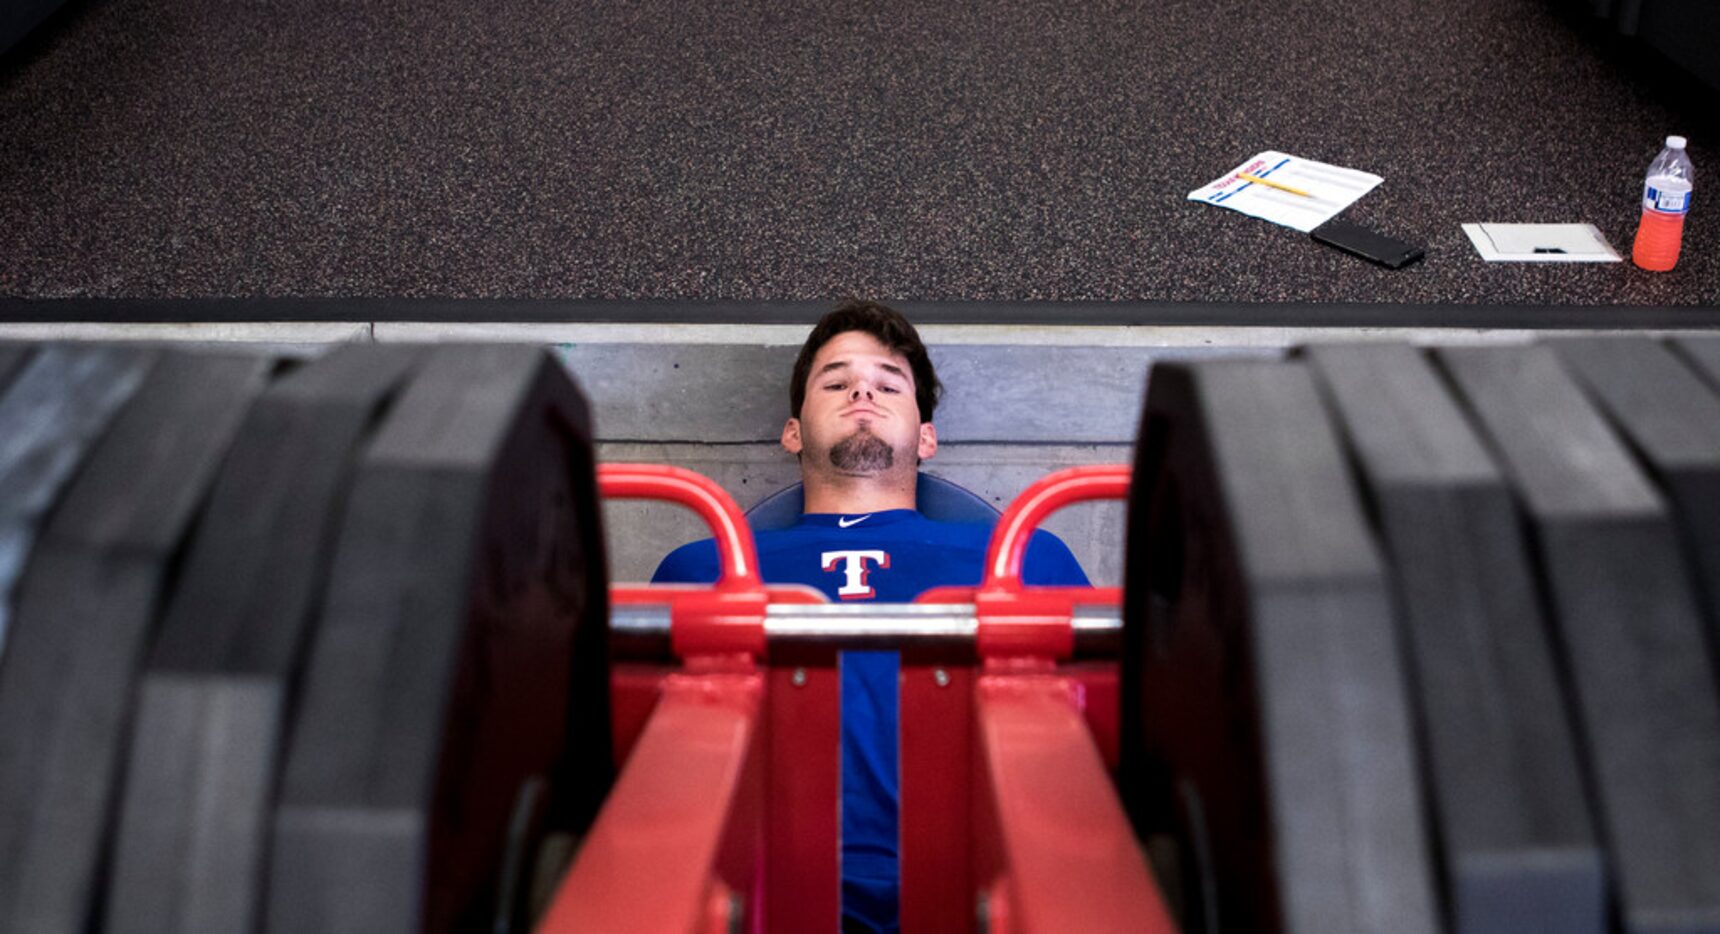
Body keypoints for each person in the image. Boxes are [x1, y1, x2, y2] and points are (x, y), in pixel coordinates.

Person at [652, 299, 1088, 934]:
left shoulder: (1022, 553)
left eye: (888, 383)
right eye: (835, 381)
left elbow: (1102, 740)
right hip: (760, 896)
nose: (861, 389)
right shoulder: (705, 563)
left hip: (979, 891)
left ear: (927, 437)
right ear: (793, 432)